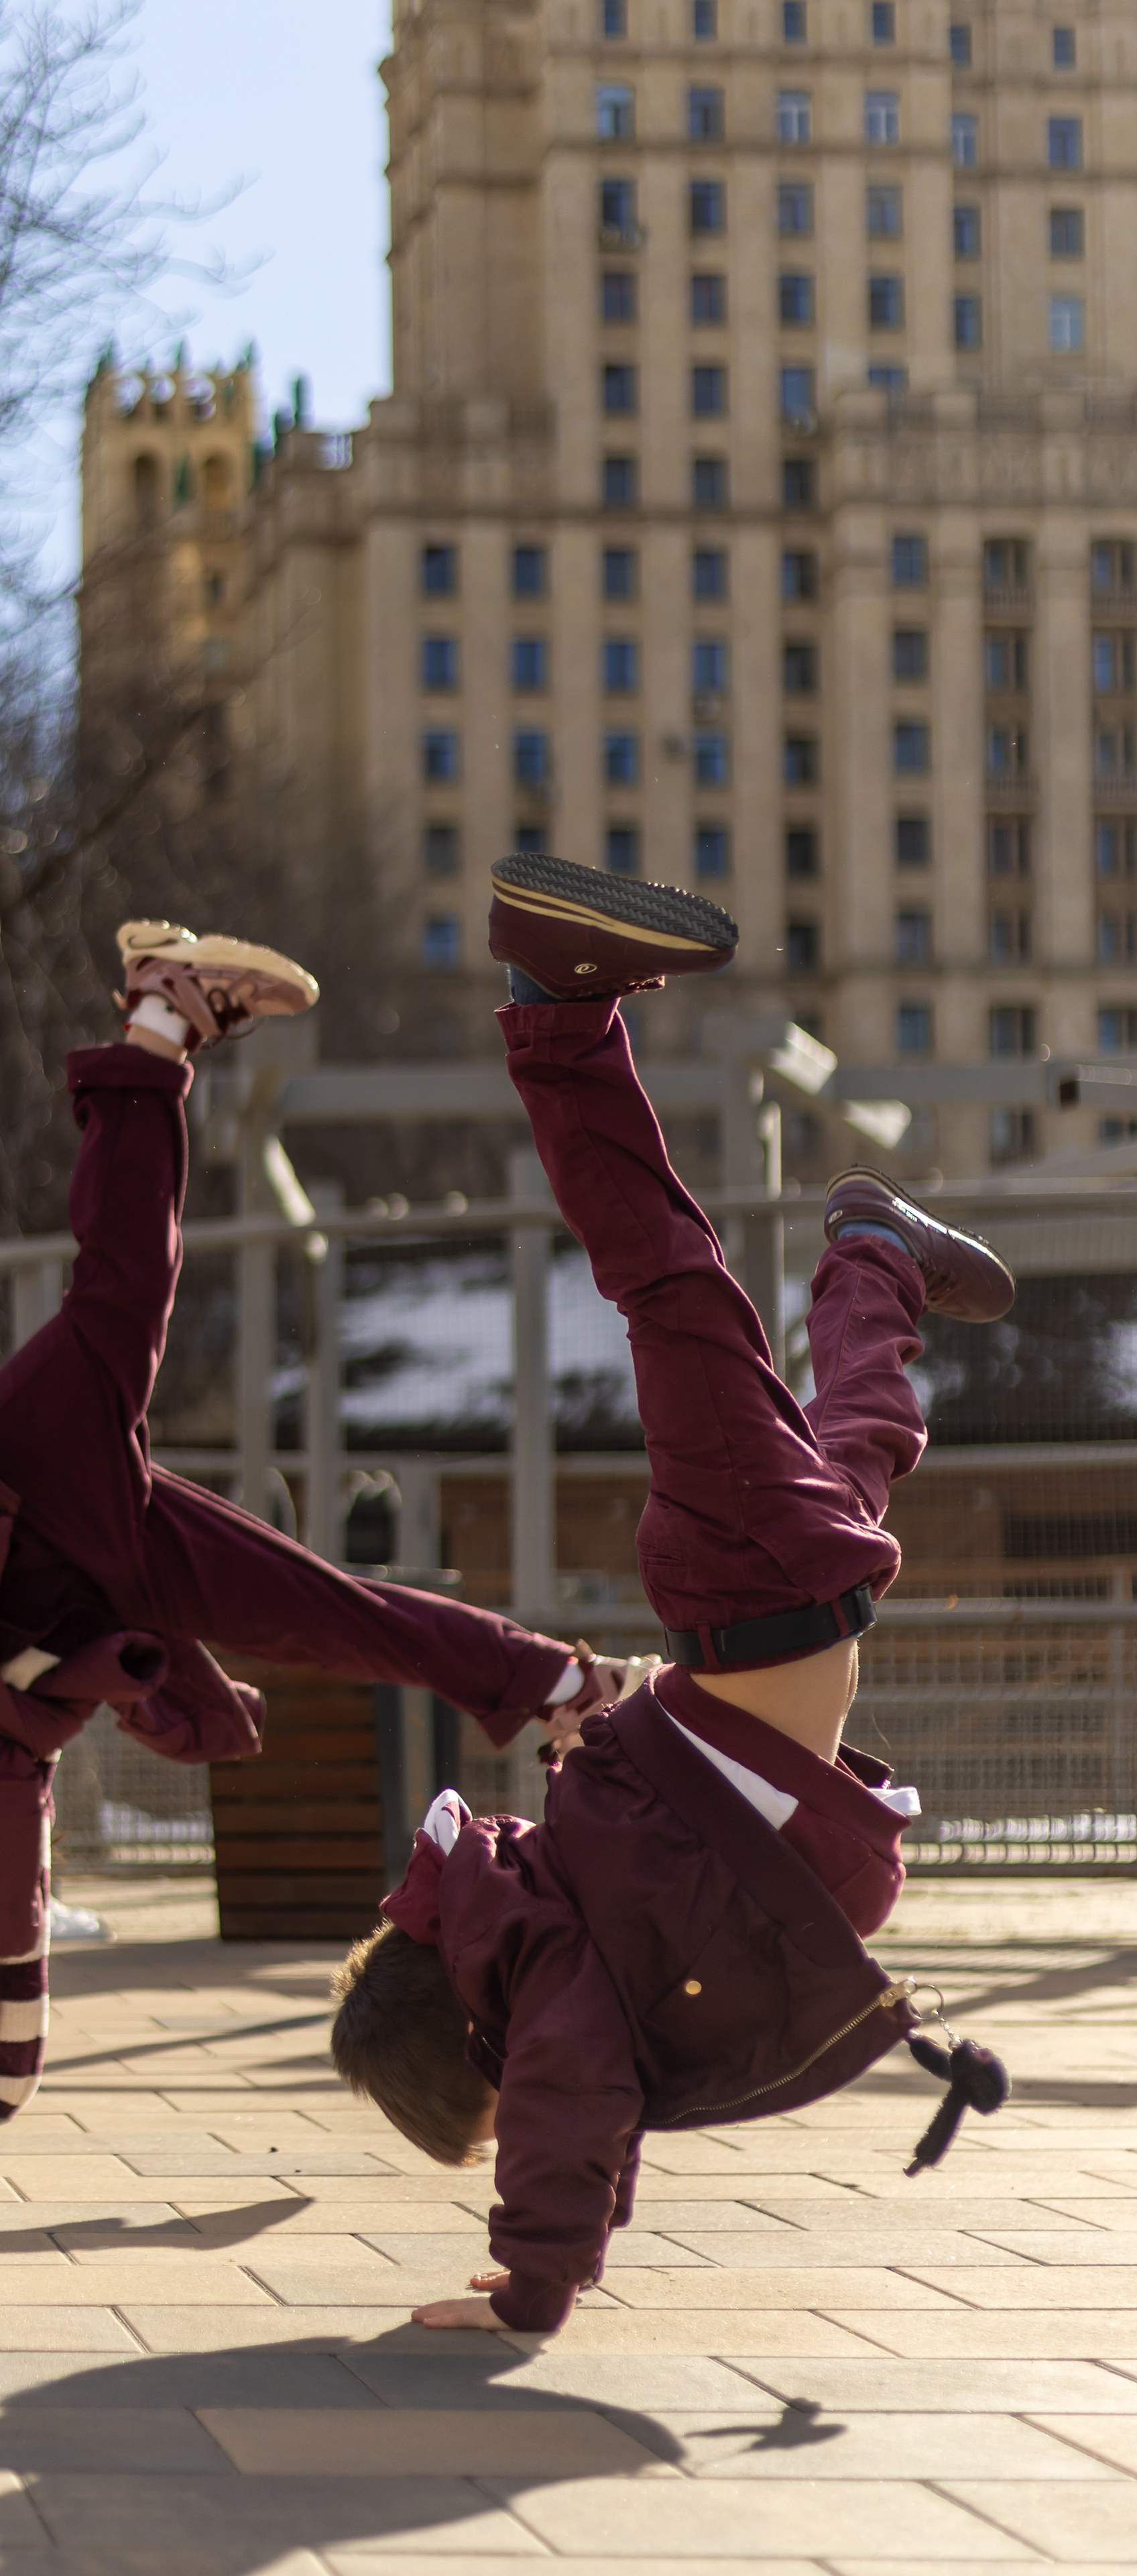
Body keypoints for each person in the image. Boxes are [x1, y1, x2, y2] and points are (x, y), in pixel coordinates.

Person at [0, 919, 626, 2136]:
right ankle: (560, 1681)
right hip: (87, 1565)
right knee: (322, 1610)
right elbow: (14, 1918)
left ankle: (160, 1015)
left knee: (118, 1297)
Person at [329, 852, 1016, 2337]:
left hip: (742, 1587)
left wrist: (528, 2289)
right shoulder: (573, 1928)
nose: (520, 2102)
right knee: (862, 1442)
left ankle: (556, 1013)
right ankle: (875, 1254)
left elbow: (573, 2092)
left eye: (487, 2105)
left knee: (669, 1285)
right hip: (780, 1593)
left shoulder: (535, 1952)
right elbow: (597, 2095)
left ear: (471, 2033)